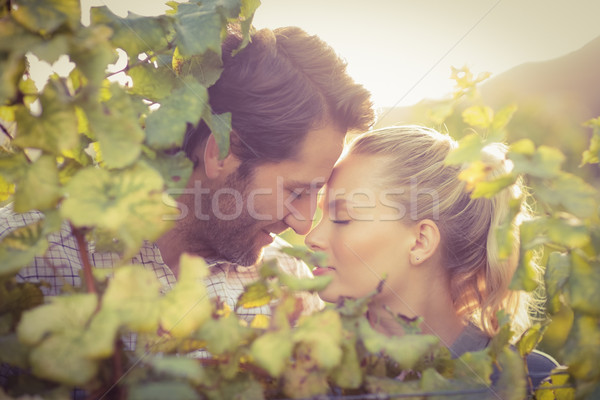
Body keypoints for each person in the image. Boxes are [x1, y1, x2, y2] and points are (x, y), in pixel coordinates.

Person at [1, 26, 374, 322]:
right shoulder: (24, 255)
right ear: (221, 151)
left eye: (317, 192)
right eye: (296, 191)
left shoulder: (290, 290)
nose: (305, 224)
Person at [305, 125, 558, 389]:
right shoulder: (303, 371)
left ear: (420, 242)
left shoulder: (535, 383)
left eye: (343, 218)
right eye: (321, 214)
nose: (312, 237)